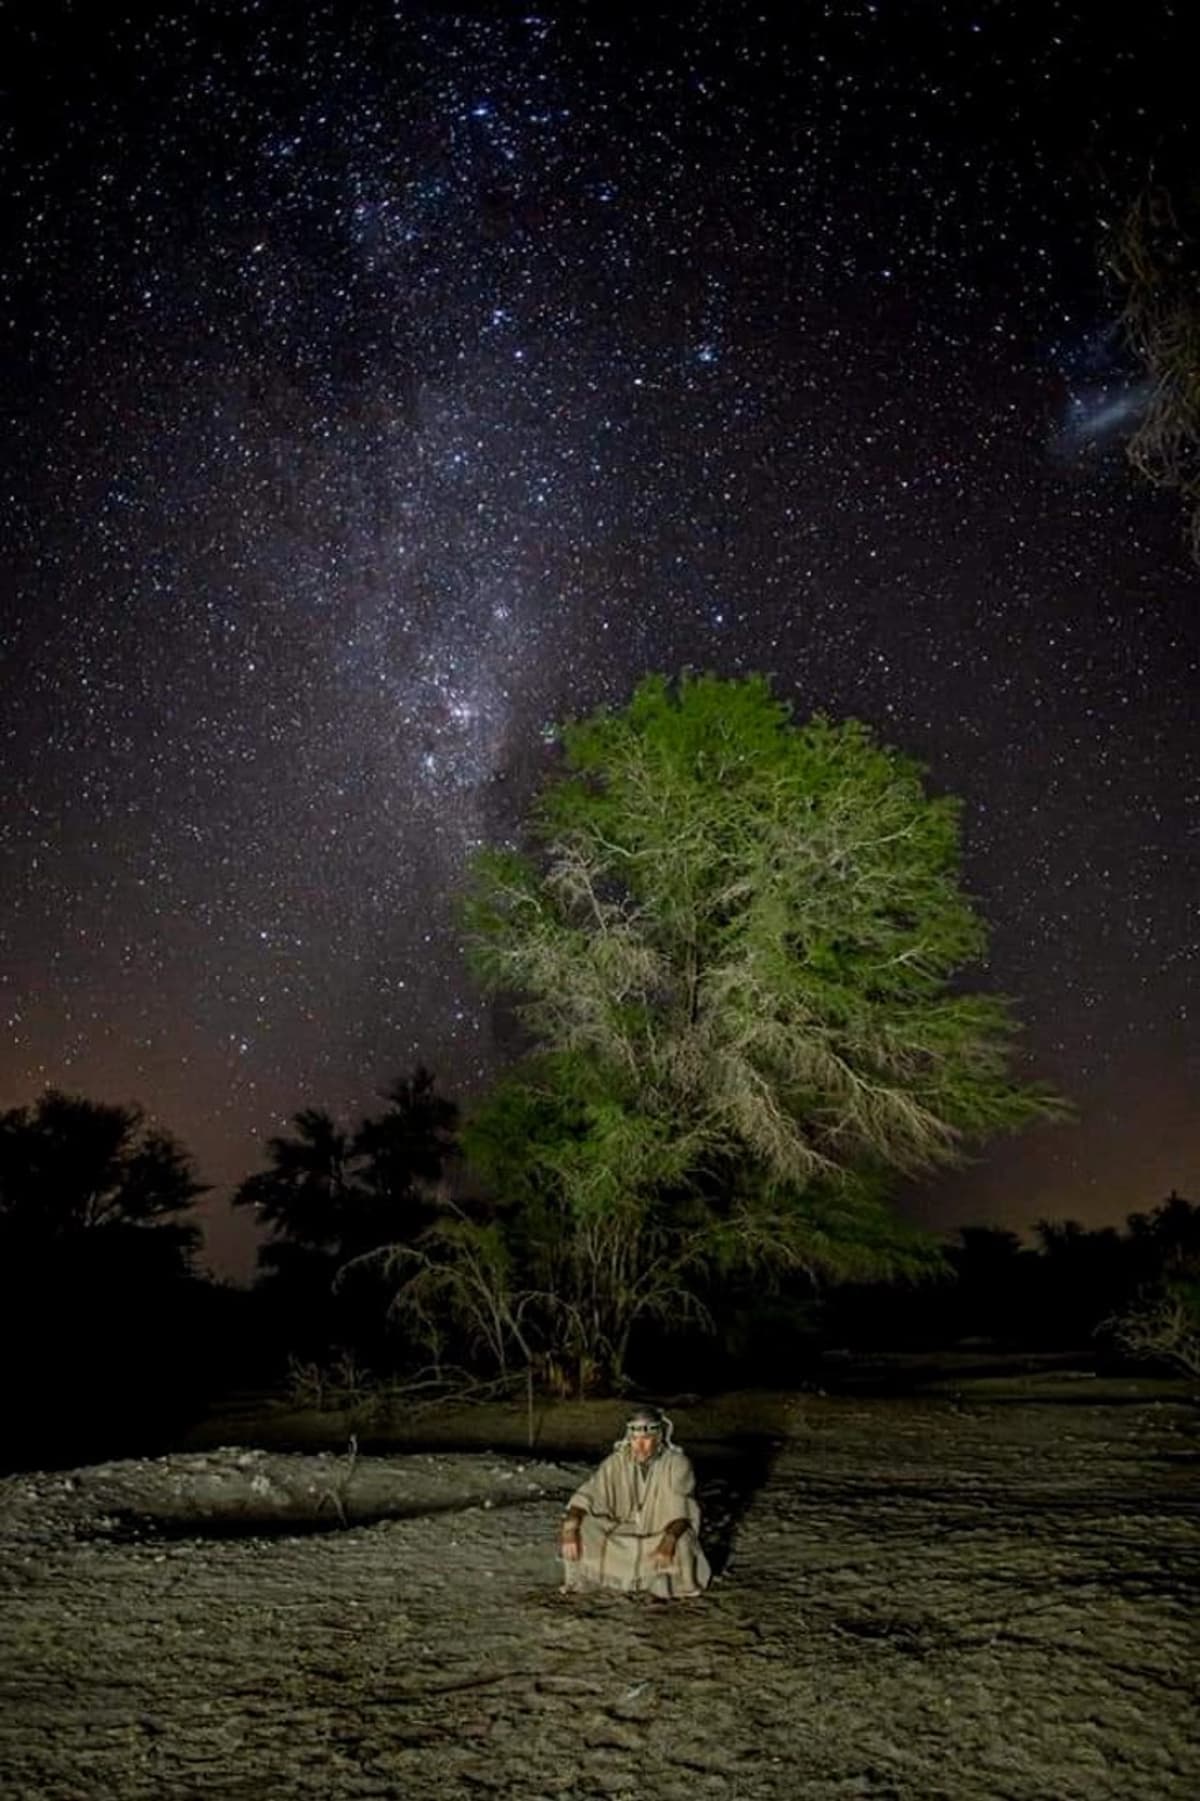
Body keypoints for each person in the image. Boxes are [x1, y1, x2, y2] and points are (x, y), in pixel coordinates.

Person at [558, 1406, 711, 1598]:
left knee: (682, 1540)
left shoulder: (678, 1464)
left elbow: (682, 1515)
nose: (640, 1446)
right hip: (622, 1532)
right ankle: (581, 1580)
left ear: (659, 1437)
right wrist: (570, 1528)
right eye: (635, 1439)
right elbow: (588, 1495)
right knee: (582, 1526)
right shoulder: (616, 1461)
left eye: (646, 1440)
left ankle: (682, 1587)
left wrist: (669, 1540)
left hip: (661, 1534)